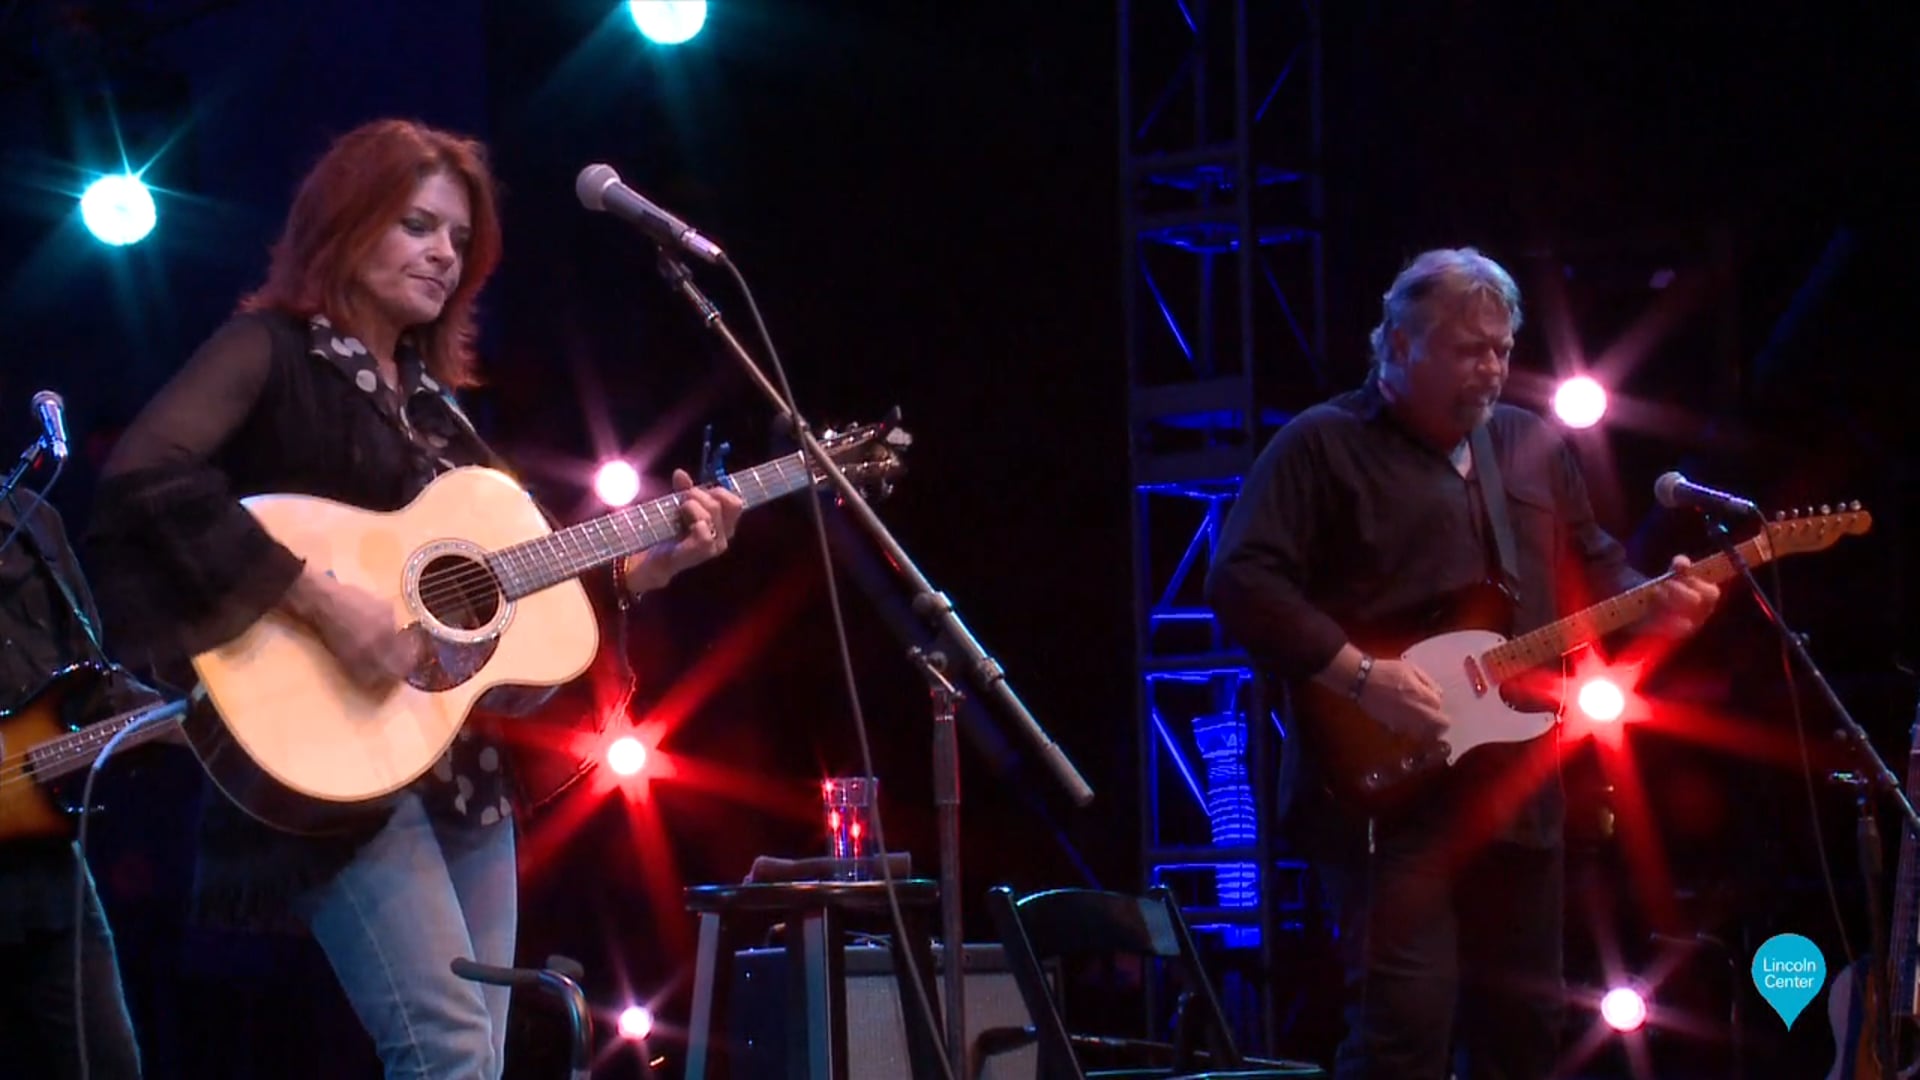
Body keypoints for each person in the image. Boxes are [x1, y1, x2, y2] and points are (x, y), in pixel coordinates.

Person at [83, 118, 744, 1079]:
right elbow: (144, 480)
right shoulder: (268, 352)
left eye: (459, 239)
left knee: (482, 1049)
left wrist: (652, 566)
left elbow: (507, 577)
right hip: (330, 760)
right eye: (418, 226)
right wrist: (315, 596)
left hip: (449, 756)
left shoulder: (438, 410)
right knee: (446, 1048)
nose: (444, 254)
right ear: (347, 227)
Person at [1205, 248, 1722, 1079]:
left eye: (1503, 349)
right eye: (1468, 349)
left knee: (1525, 1030)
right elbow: (1241, 580)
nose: (1492, 368)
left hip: (1519, 791)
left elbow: (1596, 567)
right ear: (1399, 344)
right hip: (1386, 799)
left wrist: (1660, 597)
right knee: (1403, 1036)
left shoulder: (1530, 444)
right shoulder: (1323, 445)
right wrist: (1360, 675)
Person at [0, 478, 167, 1079]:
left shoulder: (29, 515)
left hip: (44, 880)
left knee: (109, 1066)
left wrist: (182, 716)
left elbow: (94, 684)